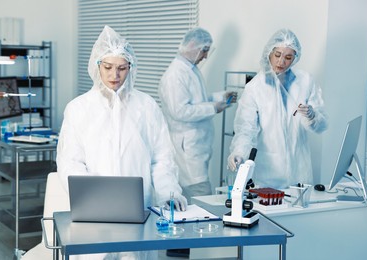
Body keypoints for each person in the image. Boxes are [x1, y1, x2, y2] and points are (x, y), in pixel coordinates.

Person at [56, 25, 187, 260]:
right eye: (108, 67)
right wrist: (94, 199)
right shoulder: (78, 109)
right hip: (93, 216)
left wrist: (169, 192)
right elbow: (70, 162)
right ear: (97, 66)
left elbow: (161, 158)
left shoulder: (146, 107)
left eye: (121, 68)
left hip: (138, 212)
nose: (114, 75)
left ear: (131, 68)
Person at [228, 28, 328, 189]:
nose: (281, 62)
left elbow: (322, 125)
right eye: (278, 55)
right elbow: (246, 129)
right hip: (268, 176)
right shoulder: (255, 88)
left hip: (299, 173)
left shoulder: (305, 81)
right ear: (269, 53)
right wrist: (238, 152)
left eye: (288, 57)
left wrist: (312, 116)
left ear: (295, 57)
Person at [159, 27, 237, 203]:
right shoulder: (175, 75)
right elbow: (180, 111)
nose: (206, 56)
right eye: (205, 50)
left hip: (197, 147)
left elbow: (197, 100)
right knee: (201, 197)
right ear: (192, 44)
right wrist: (213, 108)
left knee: (198, 198)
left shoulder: (191, 70)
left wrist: (219, 98)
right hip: (188, 150)